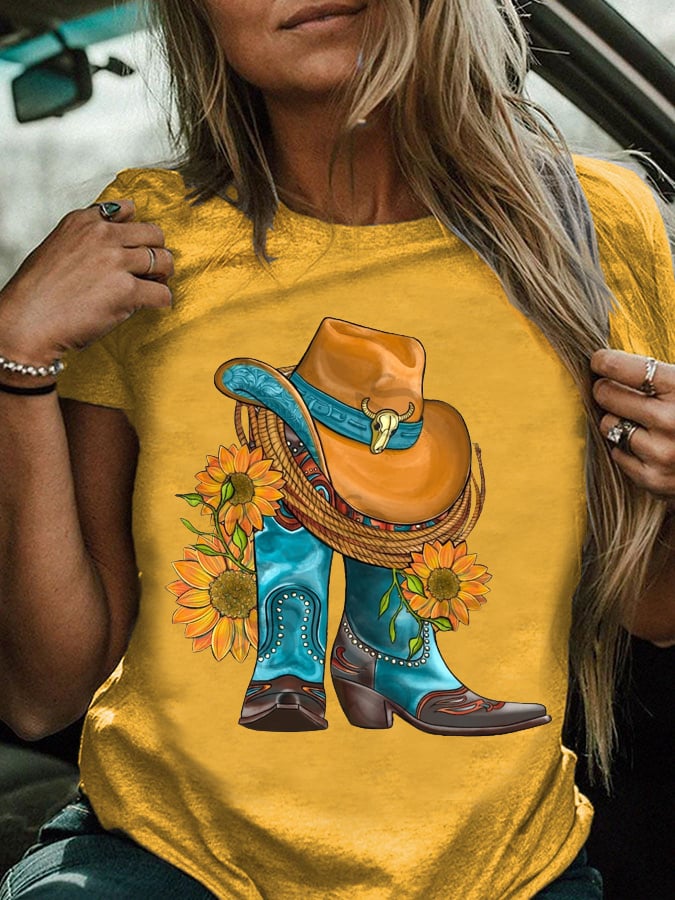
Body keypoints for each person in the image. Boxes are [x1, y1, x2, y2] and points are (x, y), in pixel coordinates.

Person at [0, 1, 673, 897]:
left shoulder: (590, 229)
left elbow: (651, 607)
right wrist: (17, 358)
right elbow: (45, 693)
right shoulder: (150, 241)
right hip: (169, 863)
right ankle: (298, 652)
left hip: (507, 874)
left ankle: (384, 647)